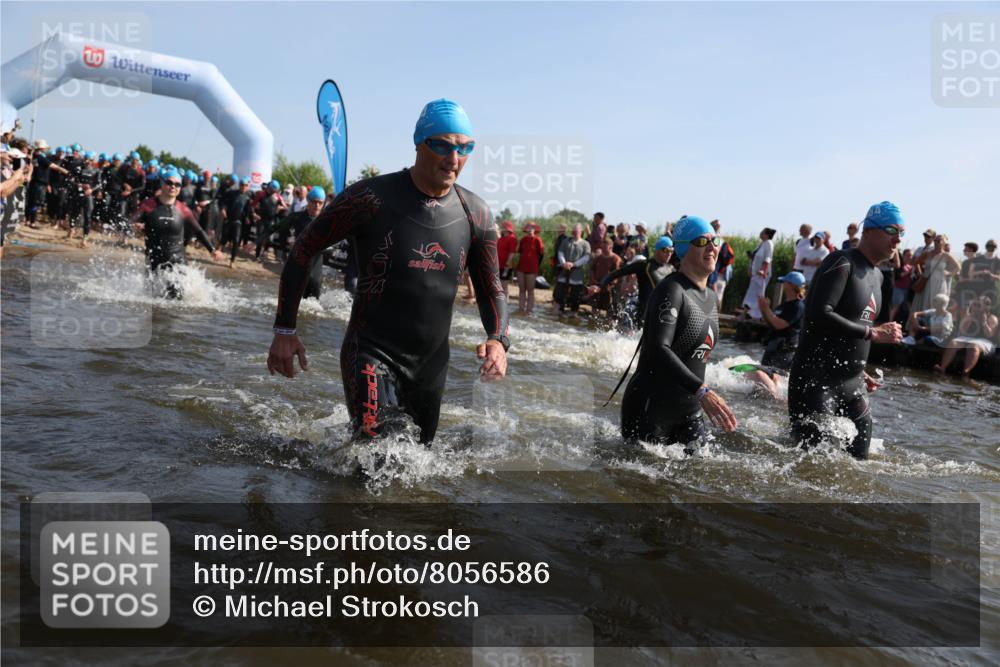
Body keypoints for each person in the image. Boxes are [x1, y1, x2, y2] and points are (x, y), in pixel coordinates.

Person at [267, 98, 509, 445]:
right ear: (418, 143)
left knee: (414, 469)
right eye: (441, 145)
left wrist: (498, 340)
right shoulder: (370, 198)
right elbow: (305, 249)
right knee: (379, 456)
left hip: (430, 366)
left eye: (464, 147)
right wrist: (285, 328)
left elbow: (492, 289)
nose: (453, 159)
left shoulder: (476, 214)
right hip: (371, 352)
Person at [788, 201, 904, 460]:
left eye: (901, 233)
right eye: (891, 230)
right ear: (869, 230)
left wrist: (858, 368)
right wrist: (873, 334)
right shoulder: (842, 262)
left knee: (859, 465)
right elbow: (819, 314)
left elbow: (855, 323)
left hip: (852, 384)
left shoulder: (879, 277)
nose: (898, 239)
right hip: (816, 383)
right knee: (810, 468)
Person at [619, 216, 737, 449]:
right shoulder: (672, 290)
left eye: (716, 241)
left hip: (690, 412)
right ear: (683, 248)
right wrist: (703, 391)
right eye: (702, 241)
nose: (712, 247)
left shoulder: (712, 298)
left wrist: (699, 395)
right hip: (651, 407)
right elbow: (657, 348)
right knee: (639, 482)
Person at [131, 168, 223, 297]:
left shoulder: (183, 210)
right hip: (154, 262)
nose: (173, 186)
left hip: (178, 263)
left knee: (176, 296)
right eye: (169, 183)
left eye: (177, 184)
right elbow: (129, 221)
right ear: (162, 184)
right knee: (153, 302)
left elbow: (199, 231)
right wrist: (134, 226)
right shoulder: (148, 205)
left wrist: (212, 250)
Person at [737, 271, 808, 400]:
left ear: (790, 285)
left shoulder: (798, 306)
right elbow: (770, 322)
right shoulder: (783, 305)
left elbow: (779, 324)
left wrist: (765, 309)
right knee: (759, 380)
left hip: (784, 353)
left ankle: (776, 400)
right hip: (772, 350)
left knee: (763, 375)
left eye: (784, 282)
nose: (782, 284)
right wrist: (763, 308)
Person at [599, 235, 675, 327]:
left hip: (662, 314)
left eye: (671, 251)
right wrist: (600, 286)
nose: (669, 254)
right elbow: (616, 273)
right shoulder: (644, 265)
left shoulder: (671, 269)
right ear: (657, 250)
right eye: (666, 250)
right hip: (645, 314)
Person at [269, 186, 328, 298]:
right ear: (308, 201)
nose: (317, 206)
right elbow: (274, 228)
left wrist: (327, 247)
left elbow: (335, 244)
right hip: (298, 265)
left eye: (320, 203)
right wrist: (255, 241)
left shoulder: (326, 221)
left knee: (314, 305)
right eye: (314, 202)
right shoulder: (297, 217)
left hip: (316, 267)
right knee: (292, 299)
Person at [935, 295, 998, 376]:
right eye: (975, 305)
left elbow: (990, 335)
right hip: (967, 338)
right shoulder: (970, 315)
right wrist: (970, 318)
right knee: (954, 342)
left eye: (979, 305)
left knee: (973, 346)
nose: (976, 307)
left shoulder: (992, 318)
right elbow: (963, 332)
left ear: (986, 307)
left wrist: (984, 322)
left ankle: (966, 371)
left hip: (985, 341)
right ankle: (942, 367)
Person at [913, 234, 960, 312]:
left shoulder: (946, 255)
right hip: (927, 281)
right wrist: (920, 273)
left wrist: (949, 274)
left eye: (938, 241)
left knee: (938, 303)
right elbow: (916, 262)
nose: (936, 242)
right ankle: (924, 321)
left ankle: (935, 322)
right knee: (926, 303)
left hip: (940, 282)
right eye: (935, 240)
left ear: (943, 243)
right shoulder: (927, 253)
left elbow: (958, 267)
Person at [553, 223, 591, 314]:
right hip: (564, 271)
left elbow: (586, 257)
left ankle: (573, 316)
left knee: (575, 298)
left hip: (577, 274)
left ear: (581, 231)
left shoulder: (585, 244)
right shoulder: (566, 241)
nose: (574, 232)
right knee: (558, 295)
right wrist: (564, 263)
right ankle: (558, 313)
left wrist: (574, 264)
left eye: (576, 230)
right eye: (573, 230)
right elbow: (560, 252)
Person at [740, 227, 776, 319]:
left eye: (762, 232)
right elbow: (755, 257)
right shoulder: (761, 244)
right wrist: (750, 267)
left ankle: (749, 315)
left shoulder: (769, 243)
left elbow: (768, 258)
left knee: (755, 295)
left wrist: (763, 269)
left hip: (762, 274)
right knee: (754, 294)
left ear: (766, 234)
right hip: (756, 274)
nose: (760, 233)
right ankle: (754, 316)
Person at [587, 236, 623, 318]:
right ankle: (593, 324)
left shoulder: (616, 259)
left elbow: (617, 275)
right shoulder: (598, 258)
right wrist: (594, 281)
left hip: (609, 288)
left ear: (610, 247)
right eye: (602, 246)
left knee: (608, 308)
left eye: (604, 247)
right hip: (596, 286)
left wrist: (608, 284)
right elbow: (592, 270)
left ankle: (607, 326)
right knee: (595, 307)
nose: (602, 248)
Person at [515, 221, 544, 314]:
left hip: (532, 269)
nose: (530, 229)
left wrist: (536, 266)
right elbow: (519, 252)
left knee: (530, 291)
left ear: (534, 229)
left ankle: (529, 310)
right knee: (521, 290)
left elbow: (541, 254)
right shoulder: (523, 240)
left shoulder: (538, 240)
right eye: (528, 227)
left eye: (532, 227)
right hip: (521, 267)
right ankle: (521, 309)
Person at [707, 219, 734, 310]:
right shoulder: (720, 238)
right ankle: (716, 310)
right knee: (716, 291)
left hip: (715, 266)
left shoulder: (713, 237)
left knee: (711, 286)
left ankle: (714, 310)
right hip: (719, 269)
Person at [496, 220, 518, 299]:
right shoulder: (501, 239)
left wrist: (507, 263)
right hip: (498, 264)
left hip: (507, 265)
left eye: (503, 227)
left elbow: (512, 252)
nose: (501, 228)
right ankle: (500, 301)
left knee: (504, 284)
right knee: (498, 284)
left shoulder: (512, 238)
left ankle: (504, 302)